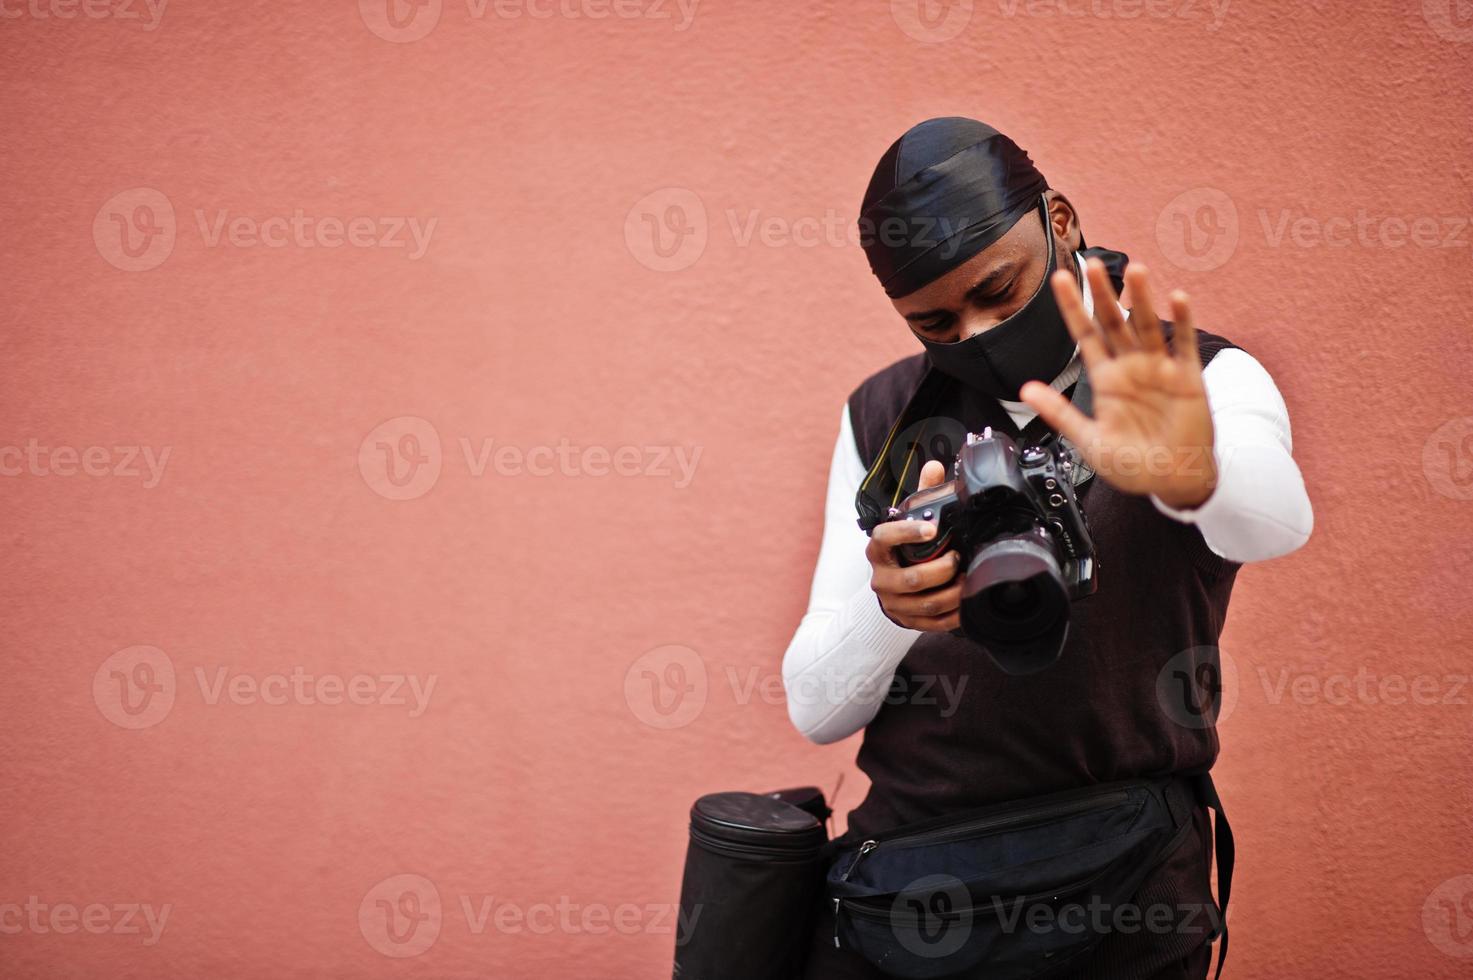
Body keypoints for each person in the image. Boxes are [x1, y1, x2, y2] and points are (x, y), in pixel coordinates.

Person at [783, 117, 1313, 979]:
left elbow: (1277, 523)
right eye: (937, 323)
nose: (978, 333)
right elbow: (816, 708)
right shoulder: (885, 421)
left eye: (999, 290)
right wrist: (891, 610)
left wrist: (1192, 472)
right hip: (910, 897)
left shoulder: (1194, 379)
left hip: (1122, 892)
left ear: (1060, 221)